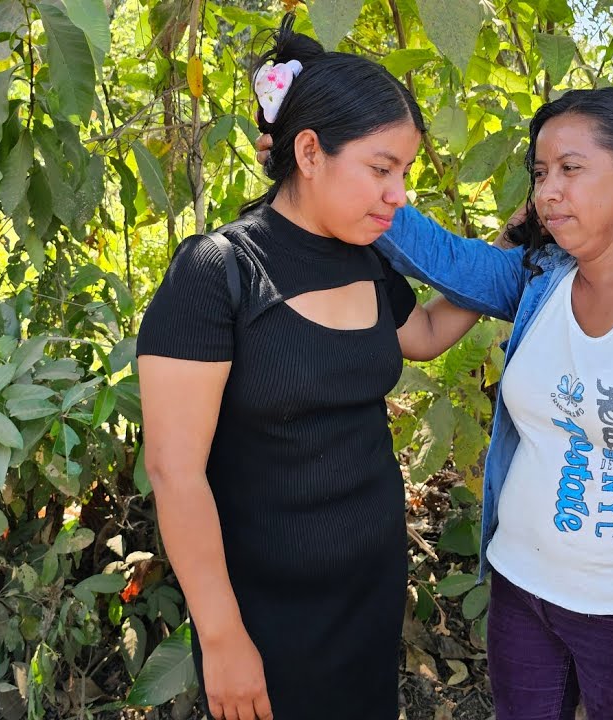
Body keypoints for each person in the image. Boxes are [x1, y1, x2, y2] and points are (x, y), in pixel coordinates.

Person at [261, 86, 613, 719]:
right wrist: (333, 175)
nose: (548, 191)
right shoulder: (541, 278)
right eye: (540, 174)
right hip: (521, 594)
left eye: (571, 169)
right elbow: (443, 259)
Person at [135, 15, 479, 720]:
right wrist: (221, 636)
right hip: (266, 612)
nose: (399, 194)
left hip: (370, 589)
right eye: (381, 169)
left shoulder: (367, 257)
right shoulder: (219, 271)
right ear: (310, 151)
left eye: (404, 173)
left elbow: (423, 334)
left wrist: (510, 257)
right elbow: (175, 472)